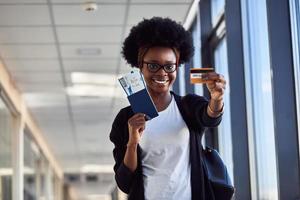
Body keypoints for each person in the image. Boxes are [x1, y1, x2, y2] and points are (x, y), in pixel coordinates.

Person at [109, 17, 226, 200]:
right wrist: (132, 142)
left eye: (169, 66)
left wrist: (217, 99)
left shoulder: (188, 106)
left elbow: (210, 116)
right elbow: (124, 182)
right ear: (141, 67)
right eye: (153, 65)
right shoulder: (126, 119)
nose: (162, 73)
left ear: (177, 67)